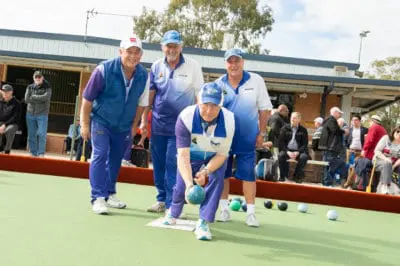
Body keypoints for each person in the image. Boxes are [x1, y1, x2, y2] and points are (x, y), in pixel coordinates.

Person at [80, 34, 149, 214]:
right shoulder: (104, 70)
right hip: (102, 121)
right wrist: (85, 124)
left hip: (124, 125)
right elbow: (87, 99)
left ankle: (110, 193)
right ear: (120, 52)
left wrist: (134, 125)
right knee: (100, 154)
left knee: (116, 159)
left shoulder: (143, 75)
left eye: (137, 52)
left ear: (141, 55)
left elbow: (142, 104)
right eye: (129, 51)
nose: (133, 56)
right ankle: (98, 197)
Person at [163, 82, 235, 241]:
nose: (209, 111)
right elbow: (182, 156)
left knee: (217, 178)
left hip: (214, 155)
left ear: (221, 106)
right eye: (205, 104)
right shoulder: (185, 117)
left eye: (214, 106)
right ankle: (174, 211)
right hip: (191, 154)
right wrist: (190, 185)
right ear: (198, 101)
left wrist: (206, 172)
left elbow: (222, 155)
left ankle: (203, 221)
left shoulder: (229, 121)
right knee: (182, 185)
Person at [143, 30, 204, 213]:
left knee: (173, 164)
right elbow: (151, 95)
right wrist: (143, 121)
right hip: (158, 124)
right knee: (159, 163)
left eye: (175, 46)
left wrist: (200, 122)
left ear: (181, 47)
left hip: (182, 126)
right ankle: (162, 199)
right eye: (169, 45)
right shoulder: (156, 66)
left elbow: (199, 95)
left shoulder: (193, 66)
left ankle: (172, 204)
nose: (172, 49)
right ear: (163, 47)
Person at [215, 48, 273, 227]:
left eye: (236, 61)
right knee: (222, 175)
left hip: (248, 138)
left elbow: (265, 109)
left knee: (249, 176)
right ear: (226, 64)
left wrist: (261, 133)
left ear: (242, 62)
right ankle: (224, 210)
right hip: (224, 138)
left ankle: (251, 214)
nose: (233, 65)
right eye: (230, 61)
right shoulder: (218, 84)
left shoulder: (256, 80)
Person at [24, 70, 52, 157]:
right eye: (36, 77)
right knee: (31, 135)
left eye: (39, 77)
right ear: (33, 78)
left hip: (42, 114)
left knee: (41, 134)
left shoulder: (48, 87)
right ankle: (33, 153)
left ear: (42, 78)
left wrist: (33, 97)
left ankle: (41, 153)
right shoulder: (29, 87)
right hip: (30, 114)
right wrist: (39, 99)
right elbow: (26, 99)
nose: (37, 78)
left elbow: (46, 97)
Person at [318, 107, 347, 186]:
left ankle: (326, 182)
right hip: (330, 148)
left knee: (329, 165)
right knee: (329, 165)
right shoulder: (331, 120)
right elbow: (334, 130)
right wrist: (344, 131)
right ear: (334, 113)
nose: (340, 115)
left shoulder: (330, 120)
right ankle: (327, 183)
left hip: (330, 148)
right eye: (339, 113)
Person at [277, 112, 309, 183]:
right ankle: (282, 176)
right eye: (291, 117)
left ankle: (296, 176)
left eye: (294, 118)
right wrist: (288, 152)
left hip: (298, 151)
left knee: (304, 157)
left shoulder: (303, 130)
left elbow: (304, 144)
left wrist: (297, 152)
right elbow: (281, 142)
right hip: (286, 150)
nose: (292, 119)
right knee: (281, 155)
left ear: (299, 119)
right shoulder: (284, 128)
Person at [373, 126, 400, 194]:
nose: (399, 134)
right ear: (394, 131)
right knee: (387, 164)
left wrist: (393, 166)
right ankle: (385, 187)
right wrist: (385, 159)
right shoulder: (386, 138)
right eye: (398, 131)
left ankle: (396, 190)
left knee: (389, 165)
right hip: (379, 160)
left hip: (393, 164)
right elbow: (377, 151)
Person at [0, 84, 21, 154]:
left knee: (9, 130)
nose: (5, 93)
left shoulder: (17, 103)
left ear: (11, 92)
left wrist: (5, 125)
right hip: (1, 122)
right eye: (3, 91)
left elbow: (15, 117)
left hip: (12, 124)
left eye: (7, 91)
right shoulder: (0, 102)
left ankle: (6, 150)